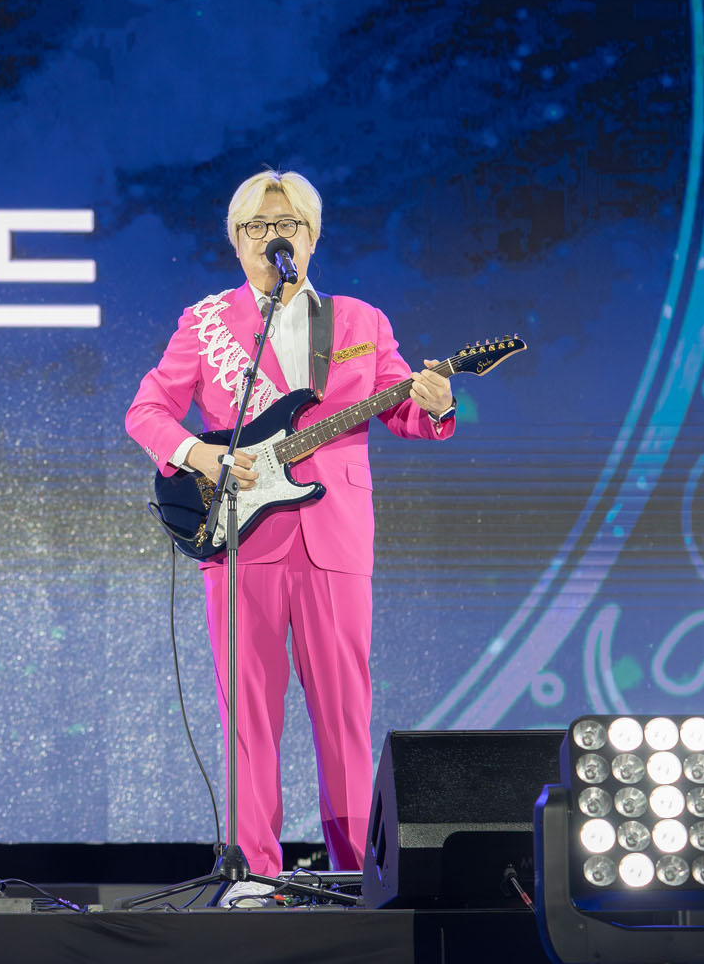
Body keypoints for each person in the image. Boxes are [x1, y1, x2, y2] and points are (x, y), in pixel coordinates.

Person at [124, 169, 455, 892]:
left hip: (335, 538)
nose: (273, 237)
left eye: (288, 225)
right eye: (257, 226)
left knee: (344, 714)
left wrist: (433, 402)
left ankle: (356, 875)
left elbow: (402, 411)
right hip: (242, 539)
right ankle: (253, 875)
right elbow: (146, 412)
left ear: (311, 237)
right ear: (237, 241)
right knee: (247, 715)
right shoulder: (206, 324)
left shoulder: (360, 322)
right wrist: (202, 454)